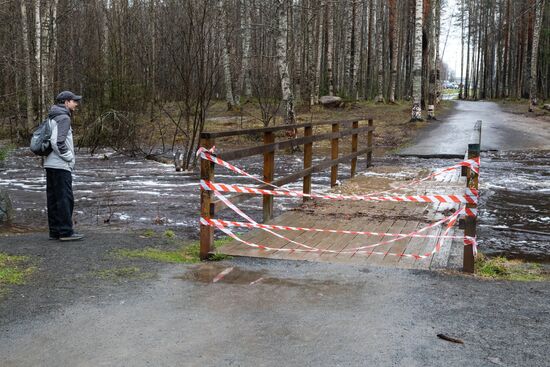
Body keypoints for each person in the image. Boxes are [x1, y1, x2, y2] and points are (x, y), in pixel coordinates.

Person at [43, 91, 84, 241]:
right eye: (74, 101)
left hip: (50, 163)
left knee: (53, 198)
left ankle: (55, 231)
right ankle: (66, 232)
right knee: (65, 198)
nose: (76, 104)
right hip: (60, 164)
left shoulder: (52, 116)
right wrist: (69, 157)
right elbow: (57, 142)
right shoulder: (64, 117)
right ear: (66, 102)